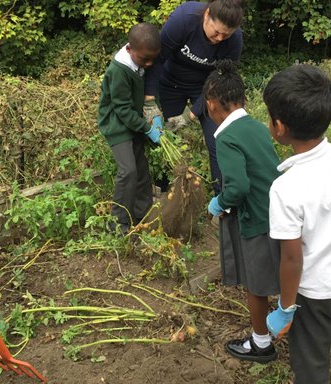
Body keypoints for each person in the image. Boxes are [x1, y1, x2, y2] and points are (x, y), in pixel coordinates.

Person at [264, 65, 331, 383]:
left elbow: (292, 258)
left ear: (279, 127)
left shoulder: (285, 188)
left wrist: (286, 307)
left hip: (313, 294)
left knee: (311, 367)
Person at [205, 60, 281, 363]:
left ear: (211, 104)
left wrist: (219, 203)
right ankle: (295, 324)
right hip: (277, 211)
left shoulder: (226, 136)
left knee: (256, 283)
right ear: (243, 99)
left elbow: (237, 187)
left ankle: (261, 343)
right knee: (282, 275)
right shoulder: (256, 127)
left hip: (257, 219)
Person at [144, 0, 244, 195]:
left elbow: (220, 80)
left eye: (227, 34)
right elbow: (157, 59)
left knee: (218, 139)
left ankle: (222, 198)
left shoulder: (234, 40)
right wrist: (149, 101)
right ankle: (161, 190)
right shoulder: (184, 20)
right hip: (171, 82)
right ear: (207, 15)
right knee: (166, 138)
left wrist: (191, 114)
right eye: (216, 31)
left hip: (206, 88)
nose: (220, 38)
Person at [97, 23, 163, 234]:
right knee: (128, 171)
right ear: (129, 49)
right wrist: (146, 127)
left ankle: (142, 216)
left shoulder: (141, 62)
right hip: (117, 124)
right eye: (145, 59)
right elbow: (122, 109)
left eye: (153, 59)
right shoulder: (119, 70)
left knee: (142, 171)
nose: (149, 63)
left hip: (133, 123)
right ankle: (118, 224)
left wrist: (153, 117)